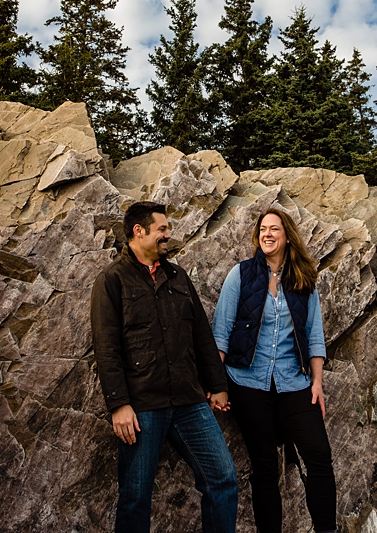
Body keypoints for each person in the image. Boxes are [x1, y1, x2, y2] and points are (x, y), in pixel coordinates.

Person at [90, 200, 238, 533]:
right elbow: (106, 348)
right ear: (138, 231)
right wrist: (119, 405)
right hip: (142, 407)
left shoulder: (177, 275)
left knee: (223, 478)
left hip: (189, 401)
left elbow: (200, 333)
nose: (167, 236)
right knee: (135, 496)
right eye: (161, 230)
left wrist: (217, 385)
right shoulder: (112, 280)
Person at [213, 207, 336, 533]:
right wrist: (217, 385)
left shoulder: (304, 280)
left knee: (319, 458)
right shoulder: (240, 275)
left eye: (274, 229)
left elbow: (315, 336)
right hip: (248, 383)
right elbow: (221, 333)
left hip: (294, 382)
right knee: (264, 467)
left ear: (287, 236)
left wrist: (317, 383)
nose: (267, 234)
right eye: (263, 229)